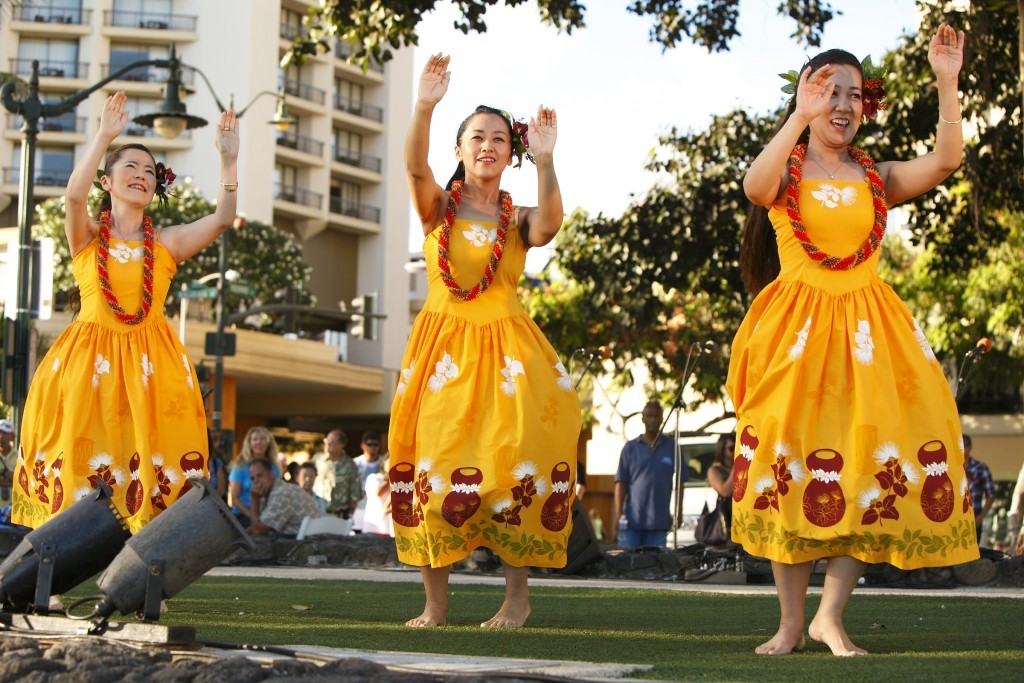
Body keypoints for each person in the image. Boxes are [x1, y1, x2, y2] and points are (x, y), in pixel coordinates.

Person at [727, 25, 979, 657]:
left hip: (870, 334)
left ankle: (830, 617)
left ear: (868, 105)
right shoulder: (785, 171)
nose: (843, 103)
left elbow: (946, 161)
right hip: (795, 334)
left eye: (854, 93)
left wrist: (947, 81)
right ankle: (789, 622)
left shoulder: (878, 176)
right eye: (827, 91)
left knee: (865, 463)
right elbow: (756, 189)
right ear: (806, 98)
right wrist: (796, 120)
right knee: (792, 465)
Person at [388, 53, 580, 629]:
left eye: (499, 138)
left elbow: (549, 224)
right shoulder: (438, 209)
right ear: (460, 148)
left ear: (510, 152)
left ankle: (517, 599)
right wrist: (424, 104)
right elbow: (414, 168)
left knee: (511, 465)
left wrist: (546, 160)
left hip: (506, 353)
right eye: (477, 136)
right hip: (443, 349)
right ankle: (436, 604)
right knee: (435, 463)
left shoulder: (516, 216)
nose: (488, 146)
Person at [12, 91, 238, 533]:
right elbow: (73, 198)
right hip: (87, 364)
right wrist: (103, 135)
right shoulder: (88, 238)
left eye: (149, 171)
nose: (141, 175)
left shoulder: (166, 243)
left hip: (151, 369)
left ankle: (145, 577)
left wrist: (228, 162)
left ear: (157, 187)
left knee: (152, 465)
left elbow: (222, 219)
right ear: (107, 181)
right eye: (129, 167)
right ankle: (53, 576)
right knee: (78, 461)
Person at [614, 401, 681, 548]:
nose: (652, 419)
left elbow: (681, 482)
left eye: (656, 416)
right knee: (628, 566)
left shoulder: (672, 446)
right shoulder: (630, 447)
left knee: (656, 569)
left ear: (662, 419)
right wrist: (618, 514)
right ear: (643, 418)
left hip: (659, 522)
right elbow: (621, 483)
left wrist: (679, 512)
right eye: (649, 415)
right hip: (632, 522)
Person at [247, 458, 322, 536]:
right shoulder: (267, 494)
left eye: (260, 475)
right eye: (252, 478)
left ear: (271, 474)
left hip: (306, 544)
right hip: (300, 541)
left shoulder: (282, 493)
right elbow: (258, 525)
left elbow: (258, 530)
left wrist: (254, 499)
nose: (256, 481)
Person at [228, 426, 280, 526]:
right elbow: (235, 499)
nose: (259, 442)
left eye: (263, 439)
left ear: (268, 443)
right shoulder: (239, 466)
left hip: (268, 513)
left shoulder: (274, 467)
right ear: (249, 443)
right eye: (255, 439)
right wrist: (252, 516)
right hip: (244, 514)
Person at [312, 429, 362, 519]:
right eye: (326, 442)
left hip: (340, 514)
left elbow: (355, 494)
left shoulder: (350, 465)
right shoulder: (318, 460)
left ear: (341, 445)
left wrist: (350, 515)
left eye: (331, 443)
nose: (327, 445)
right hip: (318, 512)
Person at [963, 435, 995, 545]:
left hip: (974, 517)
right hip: (955, 520)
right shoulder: (951, 468)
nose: (962, 448)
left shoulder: (980, 468)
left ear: (970, 447)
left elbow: (991, 495)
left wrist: (980, 518)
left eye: (965, 445)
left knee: (973, 557)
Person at [352, 430, 383, 531]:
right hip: (359, 509)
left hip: (379, 510)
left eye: (376, 444)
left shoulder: (384, 463)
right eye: (370, 444)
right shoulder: (355, 464)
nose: (373, 447)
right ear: (363, 445)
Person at [707, 432, 736, 529]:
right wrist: (737, 466)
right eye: (731, 448)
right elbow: (725, 491)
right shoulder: (714, 470)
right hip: (727, 519)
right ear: (722, 450)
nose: (736, 450)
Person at [361, 453, 393, 536]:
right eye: (390, 461)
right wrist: (390, 479)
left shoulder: (398, 483)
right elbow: (378, 492)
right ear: (384, 463)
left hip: (390, 530)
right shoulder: (374, 478)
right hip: (373, 528)